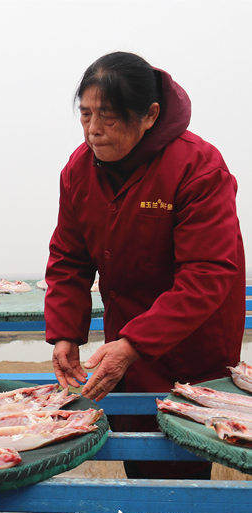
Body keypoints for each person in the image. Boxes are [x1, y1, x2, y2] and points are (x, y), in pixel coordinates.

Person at [44, 52, 245, 479]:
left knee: (183, 469)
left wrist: (134, 345)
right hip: (124, 343)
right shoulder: (79, 170)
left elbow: (209, 271)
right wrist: (64, 332)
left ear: (150, 115)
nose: (94, 129)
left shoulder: (196, 165)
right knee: (139, 462)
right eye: (85, 114)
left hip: (190, 344)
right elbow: (68, 258)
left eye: (109, 117)